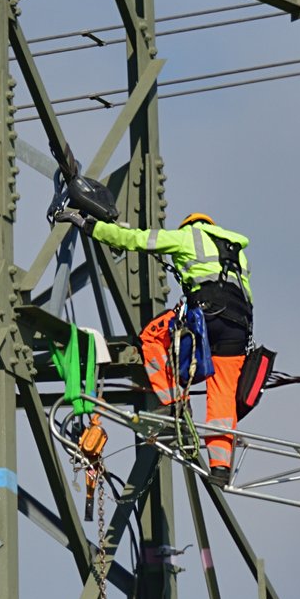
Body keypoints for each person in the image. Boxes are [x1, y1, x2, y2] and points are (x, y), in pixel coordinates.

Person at [53, 203, 258, 486]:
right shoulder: (237, 251)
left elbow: (137, 240)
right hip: (238, 326)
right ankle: (220, 466)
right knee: (222, 396)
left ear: (190, 225)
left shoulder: (188, 236)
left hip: (208, 315)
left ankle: (174, 403)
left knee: (151, 337)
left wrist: (90, 226)